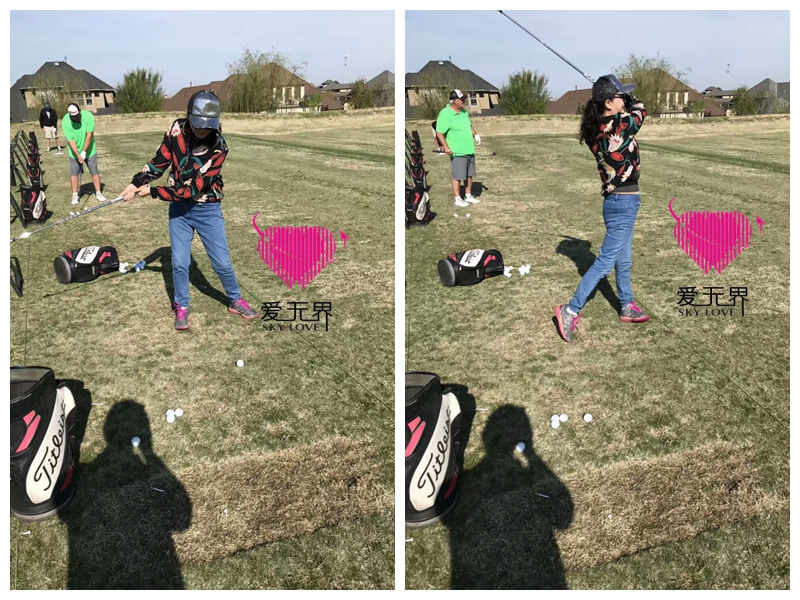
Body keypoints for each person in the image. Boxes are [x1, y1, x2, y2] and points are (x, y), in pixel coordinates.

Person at [121, 90, 258, 331]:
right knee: (180, 262)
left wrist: (153, 192)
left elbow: (193, 189)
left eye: (207, 127)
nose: (203, 131)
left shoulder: (219, 147)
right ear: (189, 116)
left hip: (207, 208)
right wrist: (136, 182)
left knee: (222, 262)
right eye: (198, 126)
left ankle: (235, 300)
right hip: (179, 210)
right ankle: (181, 305)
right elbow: (160, 161)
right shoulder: (176, 129)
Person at [555, 75, 649, 343]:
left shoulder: (598, 127)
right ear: (608, 103)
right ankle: (570, 310)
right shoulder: (617, 124)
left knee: (624, 259)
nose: (625, 99)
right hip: (622, 202)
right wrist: (633, 101)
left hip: (620, 201)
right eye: (620, 96)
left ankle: (626, 305)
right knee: (605, 262)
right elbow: (640, 114)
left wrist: (623, 99)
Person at [435, 90, 481, 208]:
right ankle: (457, 198)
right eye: (462, 99)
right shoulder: (445, 113)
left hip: (469, 149)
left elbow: (469, 125)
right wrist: (446, 147)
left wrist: (475, 135)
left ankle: (468, 195)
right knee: (458, 176)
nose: (464, 101)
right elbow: (439, 132)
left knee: (469, 174)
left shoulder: (464, 112)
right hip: (457, 151)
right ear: (454, 101)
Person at [62, 103, 106, 204]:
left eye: (76, 116)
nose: (75, 119)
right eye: (73, 117)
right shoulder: (65, 121)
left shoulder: (88, 116)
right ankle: (74, 195)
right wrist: (78, 155)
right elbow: (71, 140)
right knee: (74, 173)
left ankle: (98, 192)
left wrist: (84, 151)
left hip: (90, 150)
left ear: (80, 112)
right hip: (74, 152)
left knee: (94, 172)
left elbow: (89, 135)